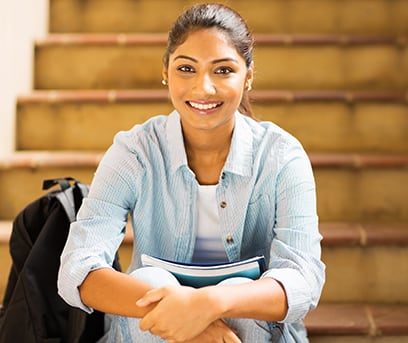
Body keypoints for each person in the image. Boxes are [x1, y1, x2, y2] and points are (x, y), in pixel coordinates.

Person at [58, 3, 325, 342]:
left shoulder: (282, 155)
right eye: (186, 68)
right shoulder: (135, 152)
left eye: (223, 70)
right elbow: (77, 269)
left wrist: (211, 303)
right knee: (153, 283)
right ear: (166, 72)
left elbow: (303, 278)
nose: (204, 88)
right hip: (150, 332)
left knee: (241, 294)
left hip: (253, 331)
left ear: (249, 76)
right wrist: (183, 319)